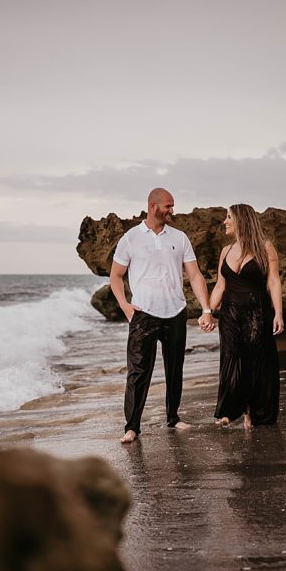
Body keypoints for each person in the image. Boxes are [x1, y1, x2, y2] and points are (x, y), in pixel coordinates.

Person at [110, 188, 214, 443]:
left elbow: (195, 275)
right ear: (153, 206)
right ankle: (131, 427)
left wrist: (207, 309)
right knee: (138, 372)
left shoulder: (179, 238)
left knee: (175, 369)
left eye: (172, 206)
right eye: (168, 206)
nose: (171, 210)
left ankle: (173, 417)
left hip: (176, 311)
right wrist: (124, 305)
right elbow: (116, 275)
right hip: (143, 313)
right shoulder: (130, 238)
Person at [207, 204, 283, 429]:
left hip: (257, 313)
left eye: (229, 217)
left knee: (255, 362)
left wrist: (278, 312)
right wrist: (207, 312)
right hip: (230, 314)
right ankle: (229, 411)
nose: (225, 221)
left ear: (241, 219)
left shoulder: (265, 248)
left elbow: (274, 281)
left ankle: (251, 412)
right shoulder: (226, 251)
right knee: (232, 358)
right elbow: (221, 286)